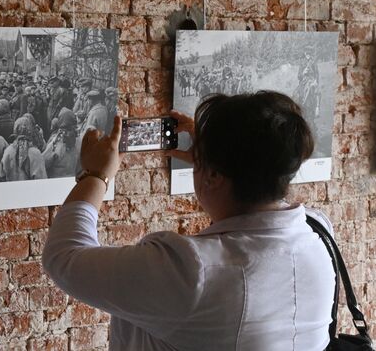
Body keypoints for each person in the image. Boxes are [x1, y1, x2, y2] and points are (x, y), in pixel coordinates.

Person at [42, 91, 335, 350]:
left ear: (213, 175)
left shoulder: (191, 272)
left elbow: (64, 257)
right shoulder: (319, 234)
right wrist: (216, 159)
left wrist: (96, 175)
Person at [0, 116, 47, 181]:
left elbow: (2, 175)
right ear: (30, 130)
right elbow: (42, 179)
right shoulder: (36, 153)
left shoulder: (8, 151)